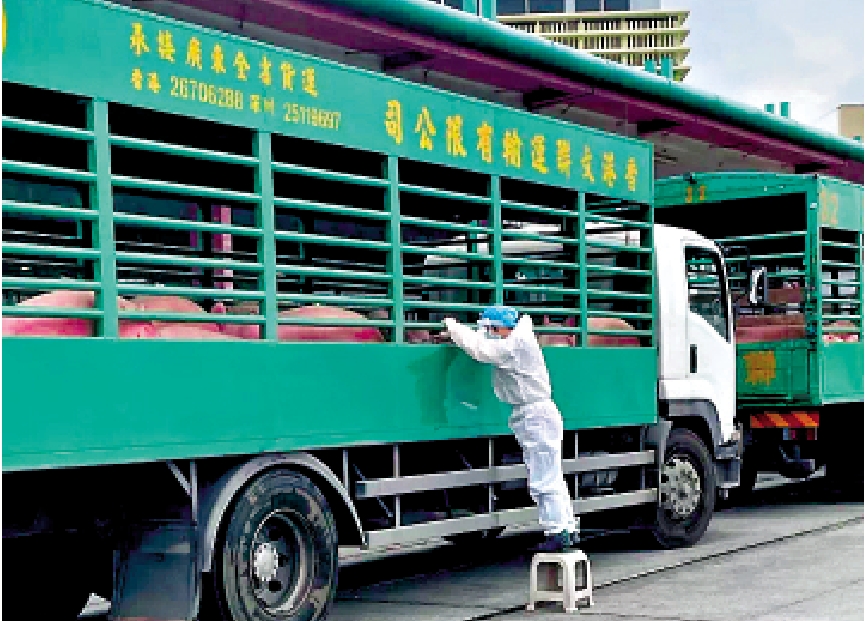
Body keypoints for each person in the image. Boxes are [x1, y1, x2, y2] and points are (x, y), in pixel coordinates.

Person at [443, 306, 578, 552]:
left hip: (535, 415)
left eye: (491, 329)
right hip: (538, 414)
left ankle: (557, 532)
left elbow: (481, 350)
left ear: (501, 327)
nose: (489, 333)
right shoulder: (519, 338)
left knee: (543, 478)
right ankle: (566, 528)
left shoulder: (515, 345)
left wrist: (453, 327)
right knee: (552, 475)